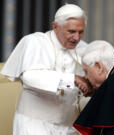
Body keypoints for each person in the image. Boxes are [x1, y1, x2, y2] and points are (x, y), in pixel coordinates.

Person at [1, 4, 91, 135]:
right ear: (55, 27)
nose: (77, 37)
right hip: (34, 124)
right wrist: (72, 79)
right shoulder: (35, 42)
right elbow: (29, 77)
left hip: (68, 127)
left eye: (81, 32)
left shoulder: (84, 48)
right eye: (71, 31)